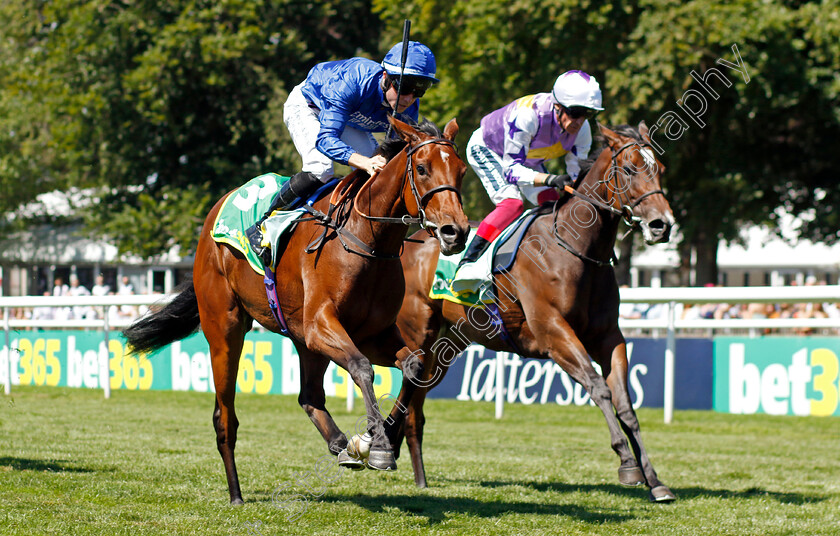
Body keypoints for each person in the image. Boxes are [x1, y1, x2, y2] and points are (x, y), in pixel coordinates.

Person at [246, 41, 440, 264]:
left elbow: (396, 158)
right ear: (386, 76)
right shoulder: (353, 80)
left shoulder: (409, 107)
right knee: (321, 168)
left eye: (419, 90)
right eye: (404, 87)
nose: (409, 98)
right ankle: (263, 223)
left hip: (347, 118)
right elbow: (326, 139)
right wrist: (365, 162)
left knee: (380, 174)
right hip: (310, 106)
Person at [457, 70, 604, 270]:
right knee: (512, 204)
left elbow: (577, 176)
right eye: (575, 113)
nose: (580, 121)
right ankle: (468, 262)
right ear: (558, 107)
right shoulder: (528, 116)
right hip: (489, 149)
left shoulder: (583, 130)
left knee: (555, 205)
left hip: (527, 158)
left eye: (587, 114)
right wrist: (551, 179)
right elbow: (511, 171)